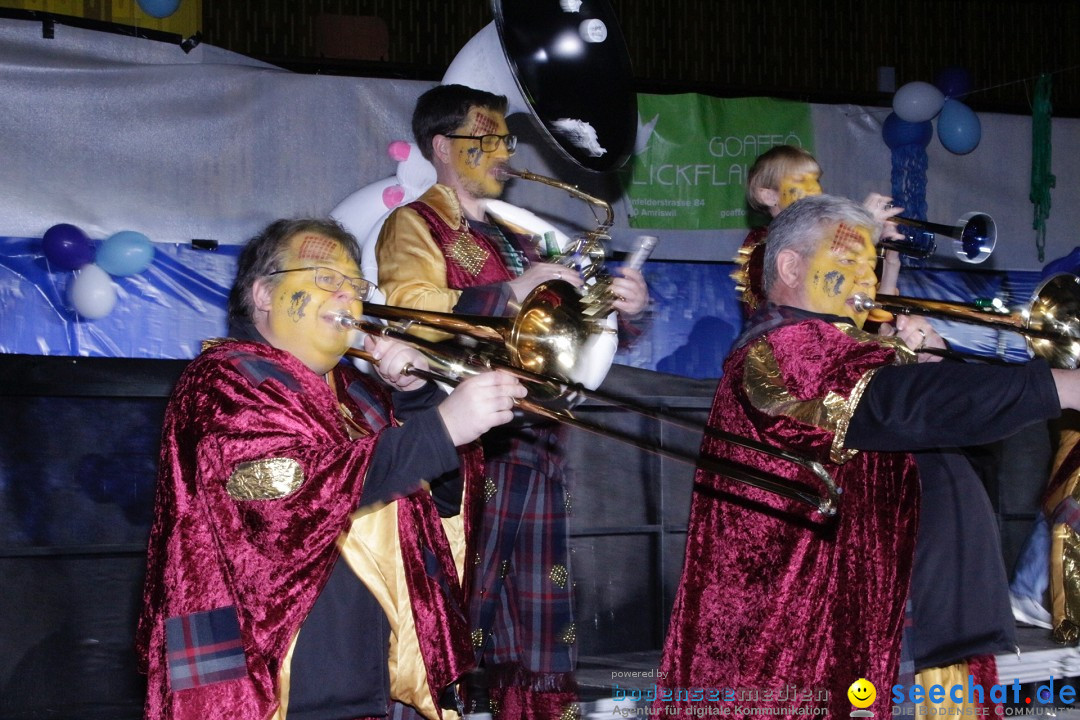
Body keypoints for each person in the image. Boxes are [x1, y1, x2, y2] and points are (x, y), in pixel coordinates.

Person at [656, 195, 1080, 717]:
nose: (867, 279)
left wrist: (927, 360)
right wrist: (1061, 387)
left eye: (872, 265)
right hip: (837, 645)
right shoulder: (786, 347)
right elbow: (895, 404)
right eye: (849, 262)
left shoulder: (842, 348)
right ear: (790, 266)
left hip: (922, 630)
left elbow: (955, 439)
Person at [135, 218, 527, 720]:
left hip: (369, 685)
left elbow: (435, 507)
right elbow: (285, 494)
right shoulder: (223, 380)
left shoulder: (359, 394)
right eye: (325, 278)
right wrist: (440, 427)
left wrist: (418, 400)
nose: (347, 296)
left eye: (356, 285)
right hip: (274, 684)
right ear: (263, 294)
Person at [375, 84, 649, 720]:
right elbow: (409, 308)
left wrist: (618, 307)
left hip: (533, 435)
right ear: (444, 148)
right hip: (467, 446)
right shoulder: (413, 223)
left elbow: (568, 333)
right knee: (460, 609)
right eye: (488, 137)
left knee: (535, 627)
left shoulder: (520, 234)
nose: (504, 150)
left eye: (505, 138)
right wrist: (508, 292)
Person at [732, 144, 904, 316]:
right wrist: (860, 227)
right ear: (768, 196)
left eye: (816, 179)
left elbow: (875, 318)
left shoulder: (827, 239)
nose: (815, 188)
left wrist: (891, 262)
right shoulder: (762, 247)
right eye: (800, 180)